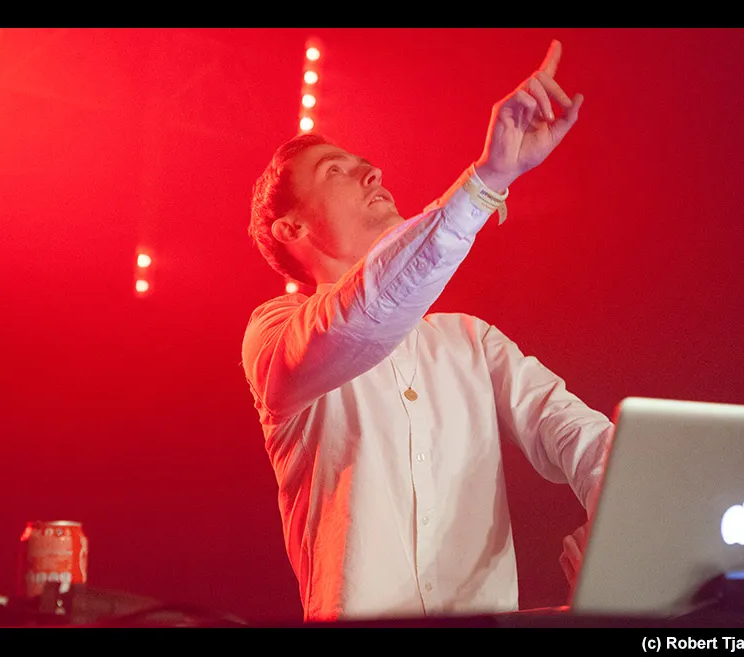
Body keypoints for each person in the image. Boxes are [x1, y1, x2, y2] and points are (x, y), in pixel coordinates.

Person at [242, 39, 613, 622]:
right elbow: (357, 318)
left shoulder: (470, 339)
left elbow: (575, 433)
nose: (371, 171)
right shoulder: (273, 332)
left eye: (362, 163)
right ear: (291, 230)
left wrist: (634, 519)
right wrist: (486, 181)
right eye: (335, 171)